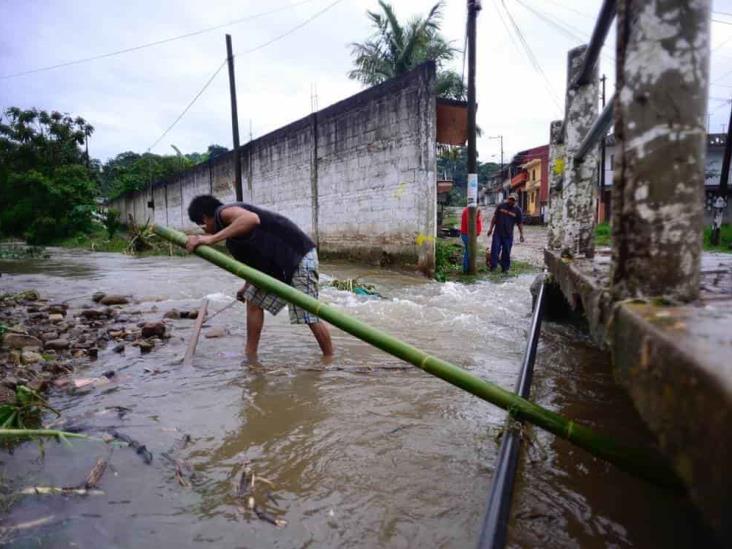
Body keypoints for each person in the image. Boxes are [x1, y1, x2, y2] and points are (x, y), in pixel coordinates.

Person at [185, 194, 334, 358]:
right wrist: (246, 286)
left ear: (205, 219)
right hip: (277, 266)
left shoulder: (223, 213)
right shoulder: (232, 240)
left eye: (202, 226)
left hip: (299, 256)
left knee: (307, 314)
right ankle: (250, 355)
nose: (204, 230)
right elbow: (254, 262)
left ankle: (329, 358)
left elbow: (252, 219)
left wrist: (210, 239)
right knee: (253, 301)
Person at [487, 193, 524, 272]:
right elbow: (495, 218)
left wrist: (521, 234)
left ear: (516, 201)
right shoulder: (501, 206)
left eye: (513, 200)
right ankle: (493, 267)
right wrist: (490, 229)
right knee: (495, 250)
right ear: (508, 198)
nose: (510, 201)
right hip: (497, 233)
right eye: (510, 199)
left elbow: (520, 223)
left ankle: (505, 268)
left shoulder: (518, 211)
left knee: (506, 252)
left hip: (508, 235)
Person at [459, 206, 483, 273]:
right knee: (468, 252)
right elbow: (470, 223)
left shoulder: (470, 210)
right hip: (467, 235)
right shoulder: (469, 211)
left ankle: (467, 268)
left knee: (468, 251)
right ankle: (466, 269)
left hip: (468, 234)